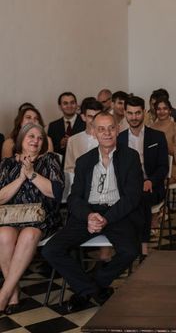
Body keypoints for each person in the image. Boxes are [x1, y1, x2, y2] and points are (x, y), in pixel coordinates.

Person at [42, 112, 144, 313]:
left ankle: (87, 290)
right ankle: (93, 289)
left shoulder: (131, 157)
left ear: (117, 129)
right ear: (94, 133)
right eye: (101, 129)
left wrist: (106, 218)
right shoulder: (84, 161)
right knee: (50, 250)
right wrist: (89, 216)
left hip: (117, 213)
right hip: (88, 214)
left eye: (111, 128)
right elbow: (74, 198)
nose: (107, 133)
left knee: (131, 250)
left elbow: (132, 197)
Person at [0, 123, 64, 313]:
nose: (36, 140)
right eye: (31, 136)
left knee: (28, 235)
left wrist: (31, 174)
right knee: (3, 235)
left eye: (39, 138)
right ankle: (12, 291)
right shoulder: (7, 163)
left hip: (41, 218)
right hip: (11, 217)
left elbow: (55, 193)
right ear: (21, 139)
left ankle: (4, 294)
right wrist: (20, 178)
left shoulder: (50, 160)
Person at [117, 96, 169, 256]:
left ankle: (143, 246)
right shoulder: (119, 139)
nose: (134, 117)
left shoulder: (157, 136)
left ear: (144, 112)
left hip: (152, 187)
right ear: (125, 113)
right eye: (130, 113)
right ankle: (125, 243)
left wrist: (150, 181)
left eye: (138, 113)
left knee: (141, 199)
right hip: (127, 187)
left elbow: (163, 167)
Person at [151, 97, 176, 184]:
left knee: (152, 183)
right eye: (158, 109)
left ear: (170, 111)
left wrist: (162, 142)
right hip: (153, 168)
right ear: (155, 111)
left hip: (173, 170)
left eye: (165, 108)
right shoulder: (151, 128)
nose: (162, 112)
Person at [47, 92, 85, 161]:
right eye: (65, 103)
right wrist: (61, 145)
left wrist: (73, 142)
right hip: (61, 166)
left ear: (76, 105)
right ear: (60, 107)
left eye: (72, 103)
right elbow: (49, 151)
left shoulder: (85, 122)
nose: (69, 106)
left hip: (82, 163)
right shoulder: (53, 126)